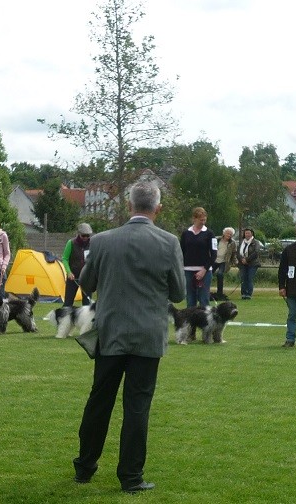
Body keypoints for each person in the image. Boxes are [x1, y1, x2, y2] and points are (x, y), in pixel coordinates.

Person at [74, 181, 185, 494]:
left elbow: (87, 283)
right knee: (137, 406)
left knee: (99, 400)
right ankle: (131, 477)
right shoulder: (169, 242)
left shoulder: (103, 240)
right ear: (157, 209)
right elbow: (178, 292)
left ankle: (85, 466)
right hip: (148, 337)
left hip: (110, 334)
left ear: (129, 205)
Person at [180, 207, 217, 308]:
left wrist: (204, 270)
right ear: (194, 219)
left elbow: (214, 254)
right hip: (188, 270)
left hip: (205, 270)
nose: (203, 222)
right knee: (190, 299)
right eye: (201, 220)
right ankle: (190, 323)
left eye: (205, 220)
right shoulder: (185, 233)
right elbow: (181, 252)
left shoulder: (210, 234)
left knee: (204, 299)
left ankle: (205, 323)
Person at [61, 223, 93, 306]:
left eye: (87, 235)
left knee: (87, 304)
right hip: (73, 278)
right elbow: (65, 258)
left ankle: (86, 319)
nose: (85, 238)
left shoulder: (93, 243)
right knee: (68, 303)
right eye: (83, 235)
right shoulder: (71, 243)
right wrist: (69, 272)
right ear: (79, 234)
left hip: (87, 278)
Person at [237, 228, 263, 300]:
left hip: (253, 263)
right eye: (246, 233)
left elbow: (256, 252)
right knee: (243, 278)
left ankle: (248, 294)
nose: (247, 234)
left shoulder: (256, 242)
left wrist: (247, 260)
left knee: (249, 278)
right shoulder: (241, 242)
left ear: (252, 234)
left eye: (249, 233)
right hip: (242, 263)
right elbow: (238, 253)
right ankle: (243, 293)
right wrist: (241, 259)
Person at [213, 227, 237, 301]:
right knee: (208, 274)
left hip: (224, 261)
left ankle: (219, 293)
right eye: (227, 233)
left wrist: (235, 261)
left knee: (220, 274)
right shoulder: (216, 239)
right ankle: (205, 292)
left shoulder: (232, 243)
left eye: (230, 234)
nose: (229, 235)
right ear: (224, 233)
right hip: (214, 260)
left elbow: (234, 253)